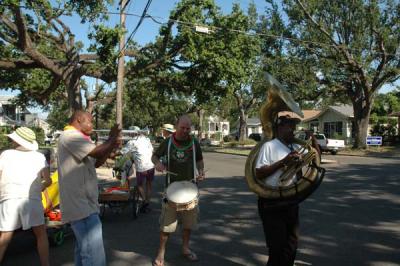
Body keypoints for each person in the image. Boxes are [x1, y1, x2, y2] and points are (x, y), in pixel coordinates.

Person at [57, 110, 121, 266]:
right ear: (79, 119)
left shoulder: (76, 138)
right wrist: (111, 139)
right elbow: (96, 151)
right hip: (81, 205)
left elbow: (97, 160)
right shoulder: (70, 136)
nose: (92, 125)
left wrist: (110, 146)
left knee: (84, 250)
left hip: (84, 203)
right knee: (93, 254)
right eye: (90, 121)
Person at [255, 115, 320, 266]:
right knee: (277, 247)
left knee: (291, 244)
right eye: (289, 126)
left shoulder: (295, 147)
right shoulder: (269, 146)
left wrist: (314, 140)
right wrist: (284, 162)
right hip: (272, 201)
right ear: (280, 128)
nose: (293, 130)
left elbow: (316, 159)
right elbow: (259, 173)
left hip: (291, 200)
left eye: (294, 126)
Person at [152, 115, 205, 266]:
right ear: (176, 126)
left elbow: (200, 160)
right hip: (171, 190)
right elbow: (154, 157)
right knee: (166, 227)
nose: (185, 131)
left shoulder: (194, 142)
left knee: (188, 225)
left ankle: (185, 248)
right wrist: (158, 165)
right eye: (182, 128)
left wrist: (201, 172)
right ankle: (161, 253)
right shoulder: (168, 142)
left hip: (190, 190)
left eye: (188, 128)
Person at [0, 127, 51, 266]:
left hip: (9, 198)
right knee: (40, 234)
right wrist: (38, 188)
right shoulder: (39, 156)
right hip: (32, 199)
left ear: (16, 141)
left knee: (4, 236)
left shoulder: (6, 155)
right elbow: (48, 181)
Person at [122, 126, 155, 212]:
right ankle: (147, 202)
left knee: (139, 185)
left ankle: (144, 201)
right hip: (151, 165)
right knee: (149, 184)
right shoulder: (146, 139)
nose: (129, 134)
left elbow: (123, 152)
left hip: (141, 167)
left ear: (132, 133)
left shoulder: (131, 142)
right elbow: (151, 150)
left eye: (129, 133)